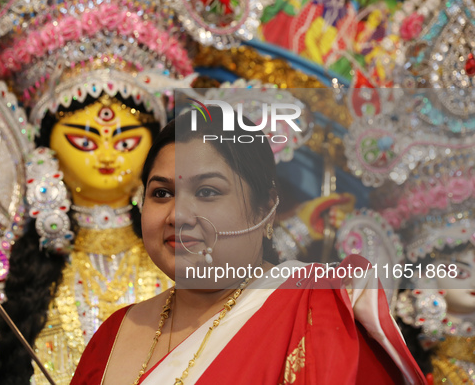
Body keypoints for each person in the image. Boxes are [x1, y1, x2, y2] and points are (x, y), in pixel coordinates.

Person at [72, 106, 426, 384]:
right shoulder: (115, 332)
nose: (178, 215)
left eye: (207, 192)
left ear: (266, 207)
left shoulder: (317, 311)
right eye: (161, 193)